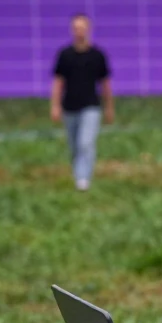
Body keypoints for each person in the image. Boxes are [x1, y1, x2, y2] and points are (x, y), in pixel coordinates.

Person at [50, 14, 114, 191]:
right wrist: (55, 105)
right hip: (70, 106)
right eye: (76, 28)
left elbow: (105, 83)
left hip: (91, 106)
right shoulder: (65, 55)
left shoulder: (97, 56)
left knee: (86, 143)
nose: (79, 31)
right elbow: (58, 82)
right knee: (74, 145)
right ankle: (78, 173)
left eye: (82, 27)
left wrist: (109, 107)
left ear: (88, 29)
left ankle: (84, 178)